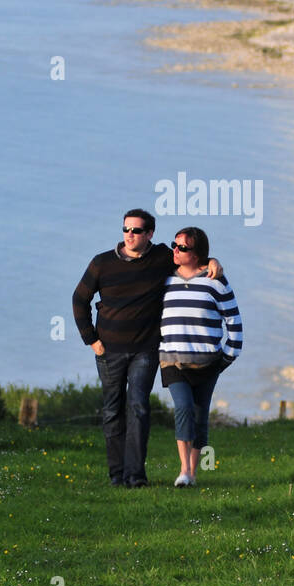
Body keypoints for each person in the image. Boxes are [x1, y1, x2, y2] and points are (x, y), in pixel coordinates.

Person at [73, 209, 221, 488]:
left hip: (145, 350)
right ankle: (117, 475)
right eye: (126, 229)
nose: (130, 235)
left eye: (136, 231)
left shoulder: (162, 258)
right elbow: (79, 299)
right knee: (112, 409)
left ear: (150, 233)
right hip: (108, 351)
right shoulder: (101, 263)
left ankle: (136, 476)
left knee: (139, 407)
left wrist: (213, 261)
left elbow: (190, 259)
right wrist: (91, 340)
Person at [158, 226, 242, 487]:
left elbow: (234, 323)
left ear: (197, 254)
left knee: (199, 415)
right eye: (175, 244)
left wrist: (226, 358)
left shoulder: (216, 281)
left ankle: (193, 473)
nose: (176, 250)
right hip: (172, 360)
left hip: (207, 363)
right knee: (182, 408)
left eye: (182, 247)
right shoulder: (163, 278)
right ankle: (183, 470)